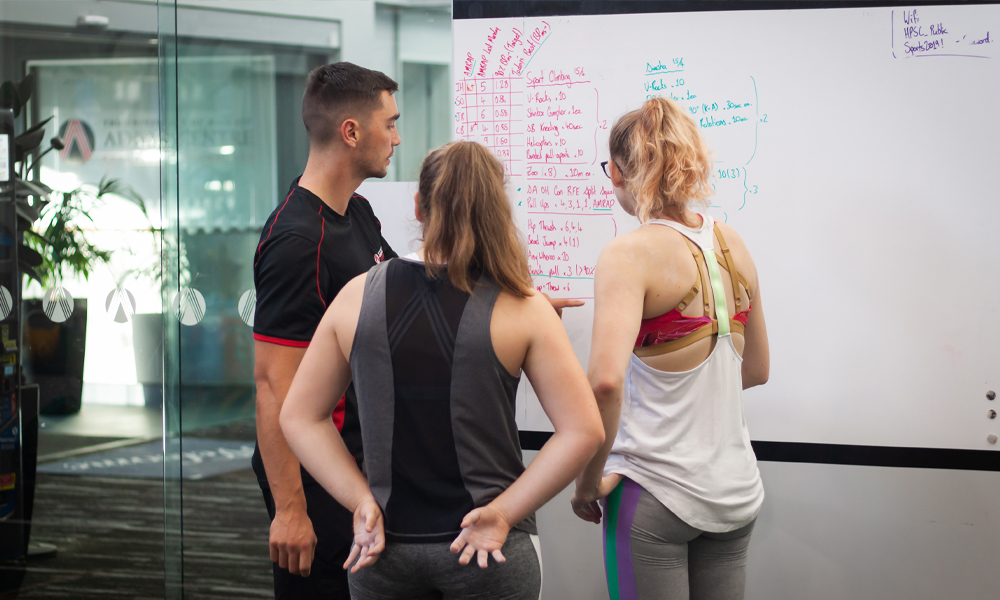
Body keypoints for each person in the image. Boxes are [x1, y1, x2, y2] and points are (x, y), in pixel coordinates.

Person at [279, 140, 605, 600]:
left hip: (382, 553)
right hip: (487, 551)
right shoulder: (523, 307)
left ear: (418, 206)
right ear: (499, 209)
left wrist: (360, 502)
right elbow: (584, 431)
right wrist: (505, 513)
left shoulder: (357, 295)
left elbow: (298, 416)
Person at [571, 97, 770, 600]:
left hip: (653, 492)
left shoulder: (628, 253)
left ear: (617, 171)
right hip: (735, 493)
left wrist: (589, 479)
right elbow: (757, 370)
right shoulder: (735, 244)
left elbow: (605, 382)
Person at [251, 61, 400, 599]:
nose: (397, 138)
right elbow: (274, 386)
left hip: (355, 466)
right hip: (315, 480)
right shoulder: (297, 241)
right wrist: (290, 510)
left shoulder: (356, 213)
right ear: (351, 131)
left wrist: (512, 309)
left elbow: (412, 296)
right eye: (390, 123)